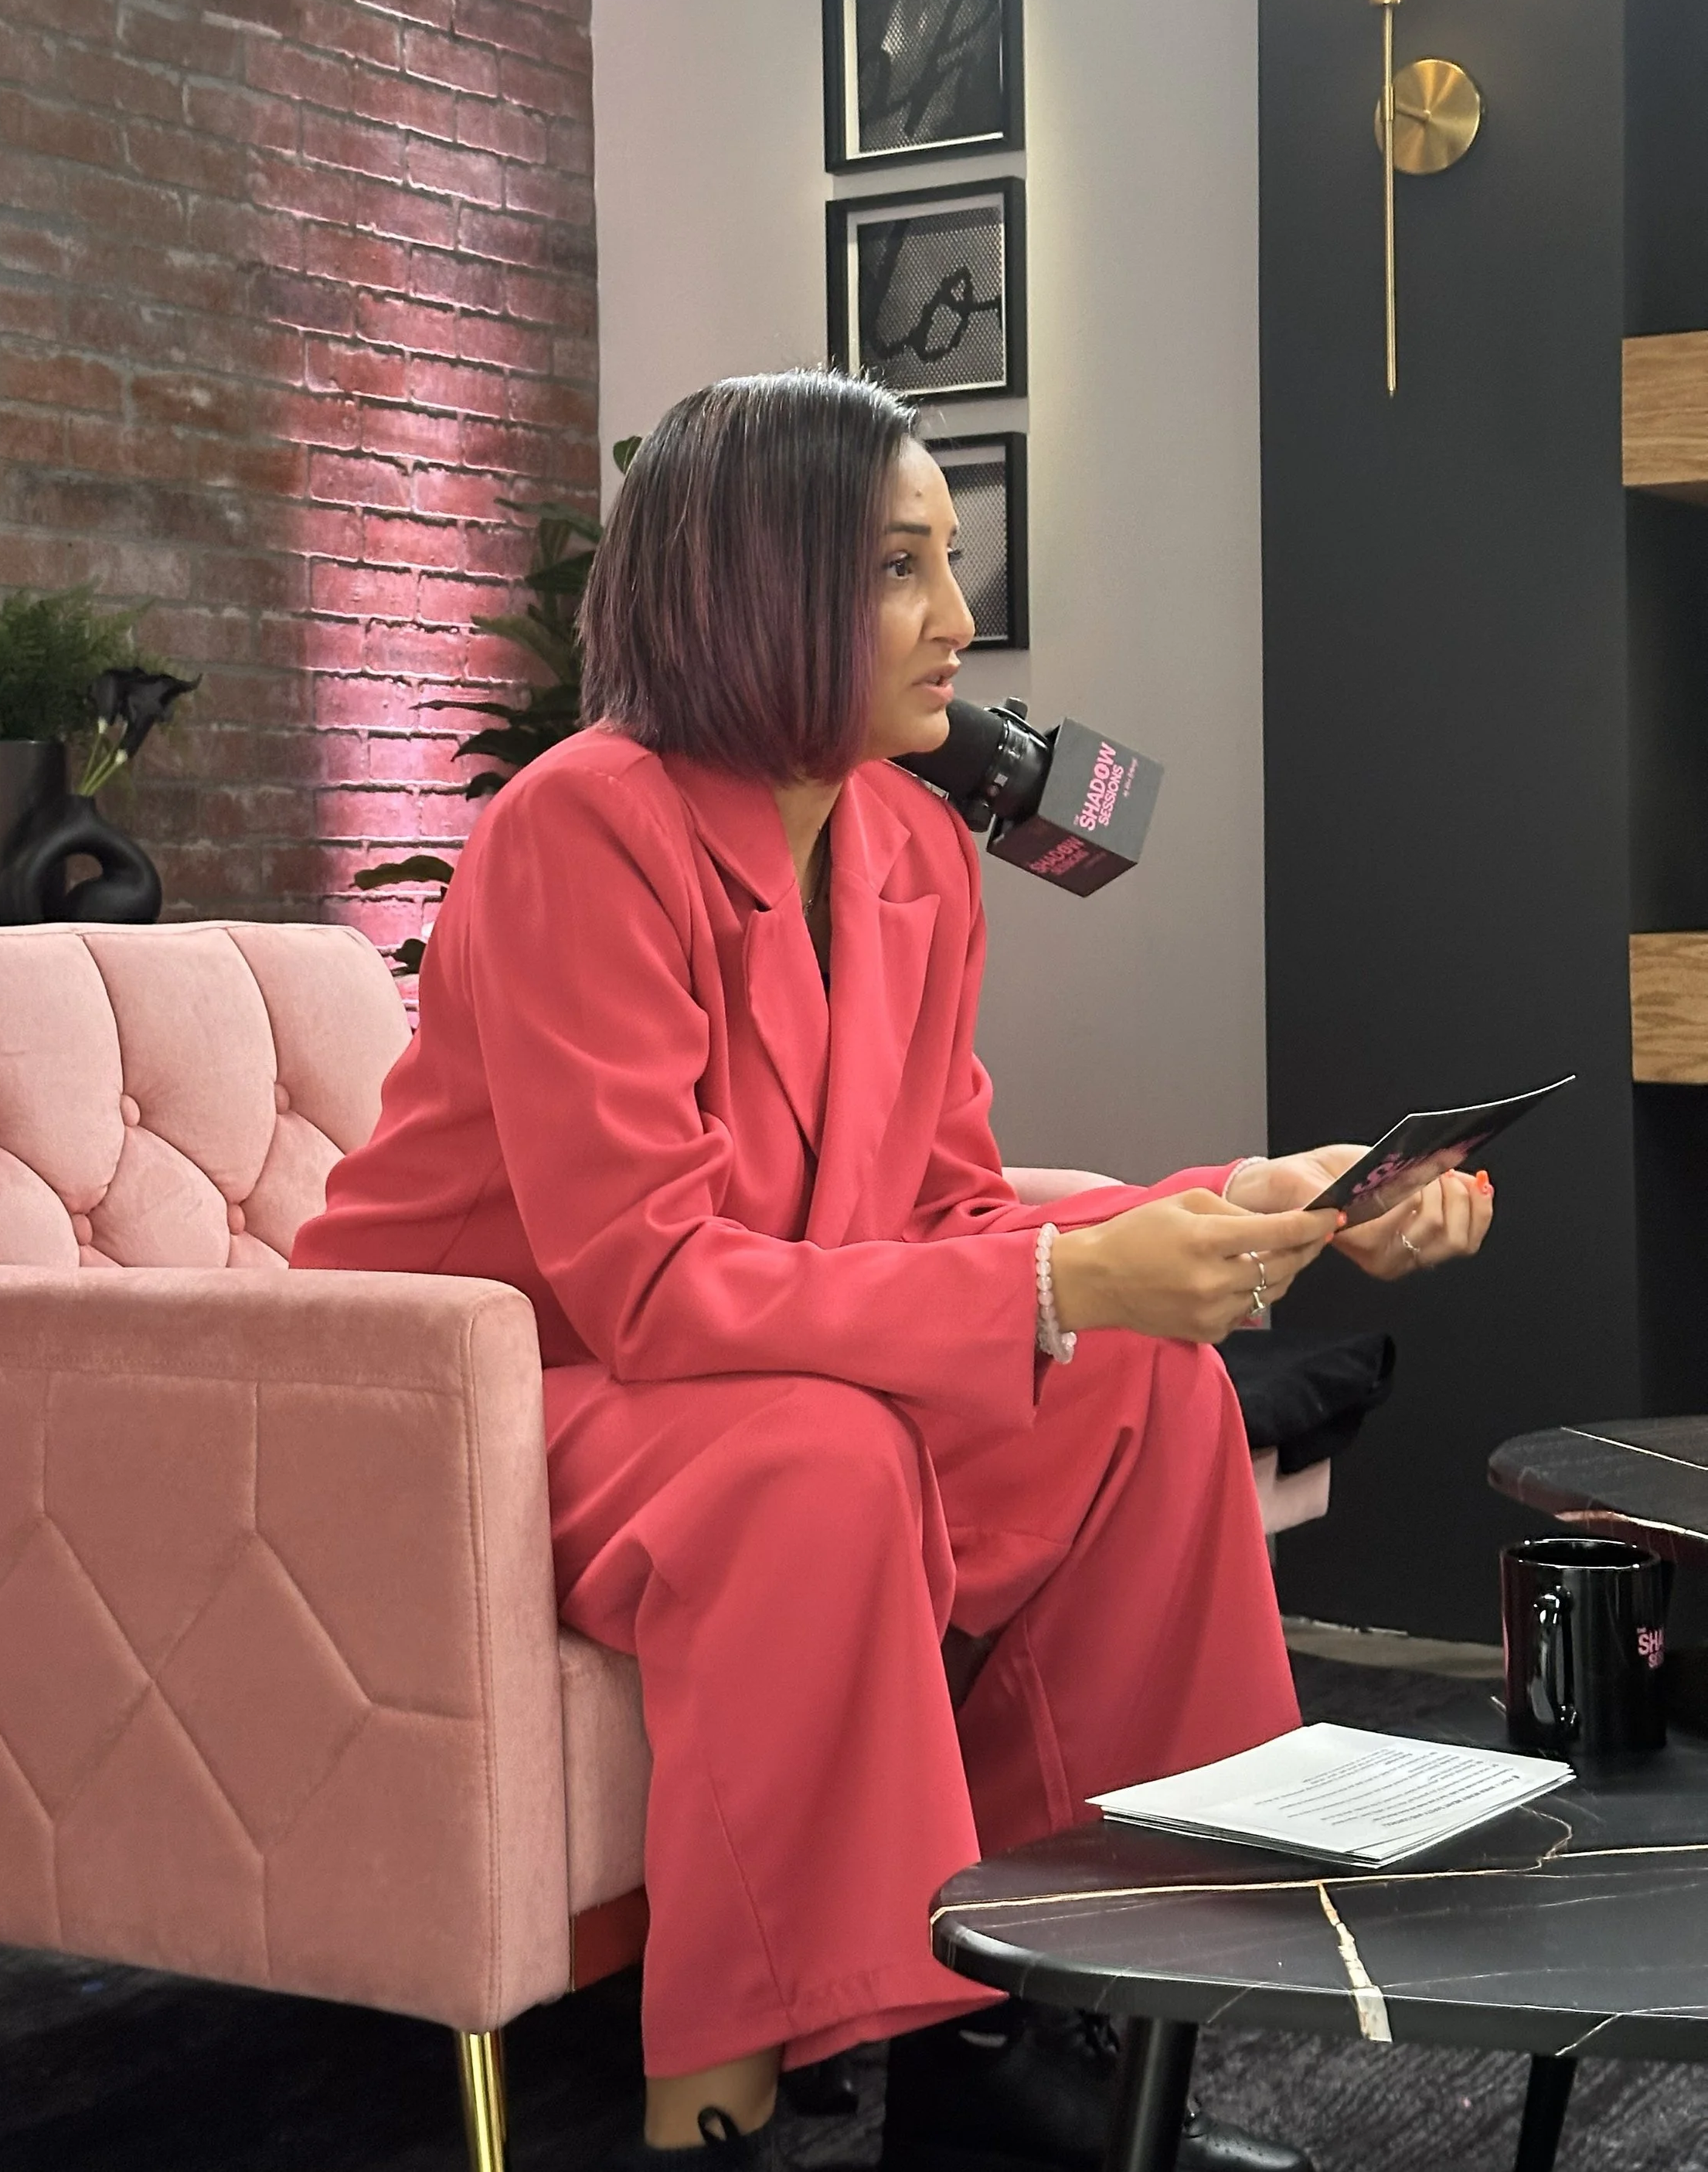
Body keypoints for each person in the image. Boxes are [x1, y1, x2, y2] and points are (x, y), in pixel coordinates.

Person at [293, 372, 1494, 2172]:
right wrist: (1062, 1283)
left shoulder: (914, 849)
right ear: (759, 586)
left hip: (725, 1368)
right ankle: (724, 2098)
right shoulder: (581, 827)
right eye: (899, 568)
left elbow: (933, 1217)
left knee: (1144, 1390)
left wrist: (1259, 1202)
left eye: (951, 562)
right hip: (472, 1397)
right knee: (821, 1460)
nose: (957, 620)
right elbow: (648, 1286)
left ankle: (1057, 2003)